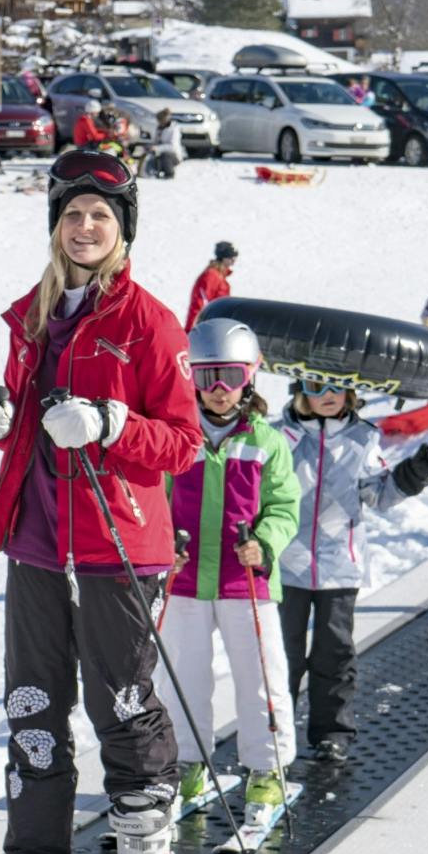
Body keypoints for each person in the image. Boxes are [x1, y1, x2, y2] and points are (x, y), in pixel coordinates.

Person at [0, 149, 202, 854]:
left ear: (123, 228)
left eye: (101, 215)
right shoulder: (31, 315)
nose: (86, 226)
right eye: (73, 214)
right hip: (37, 540)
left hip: (119, 545)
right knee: (33, 702)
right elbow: (33, 424)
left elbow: (184, 441)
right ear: (55, 226)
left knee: (124, 704)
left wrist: (112, 425)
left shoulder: (150, 322)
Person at [158, 317, 300, 823]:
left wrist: (264, 543)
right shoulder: (177, 438)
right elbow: (155, 501)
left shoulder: (267, 441)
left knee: (260, 677)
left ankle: (268, 770)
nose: (218, 390)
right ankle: (188, 764)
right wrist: (160, 548)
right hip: (186, 580)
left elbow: (284, 506)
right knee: (182, 676)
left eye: (231, 377)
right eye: (206, 377)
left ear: (252, 377)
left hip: (247, 581)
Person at [277, 374, 428, 761]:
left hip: (339, 566)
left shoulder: (362, 439)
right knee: (282, 653)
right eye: (316, 388)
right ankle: (275, 731)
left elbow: (380, 495)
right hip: (286, 564)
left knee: (334, 652)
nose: (328, 397)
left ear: (350, 392)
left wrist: (416, 469)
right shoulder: (281, 437)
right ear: (301, 393)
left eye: (335, 388)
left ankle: (331, 731)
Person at [185, 240, 238, 330]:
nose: (234, 261)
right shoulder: (211, 276)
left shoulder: (219, 276)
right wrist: (192, 330)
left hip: (216, 324)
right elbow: (200, 303)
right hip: (206, 326)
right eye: (230, 257)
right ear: (223, 258)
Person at [144, 107, 184, 180]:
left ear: (164, 120)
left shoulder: (174, 129)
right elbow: (155, 142)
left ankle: (170, 173)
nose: (158, 122)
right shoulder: (159, 128)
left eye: (159, 120)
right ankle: (150, 172)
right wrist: (149, 146)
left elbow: (173, 147)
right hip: (159, 154)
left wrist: (157, 148)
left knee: (166, 156)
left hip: (173, 156)